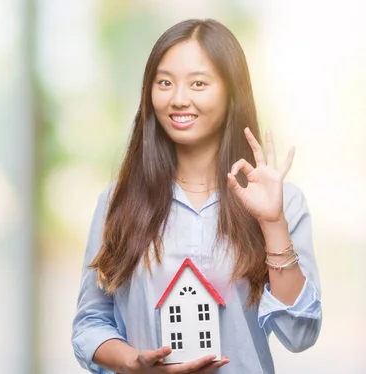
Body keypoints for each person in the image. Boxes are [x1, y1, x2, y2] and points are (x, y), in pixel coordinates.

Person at [71, 19, 322, 374]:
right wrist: (133, 363)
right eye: (165, 83)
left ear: (232, 93)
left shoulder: (282, 203)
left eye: (199, 83)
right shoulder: (117, 202)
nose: (178, 99)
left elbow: (300, 334)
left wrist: (272, 224)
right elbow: (90, 324)